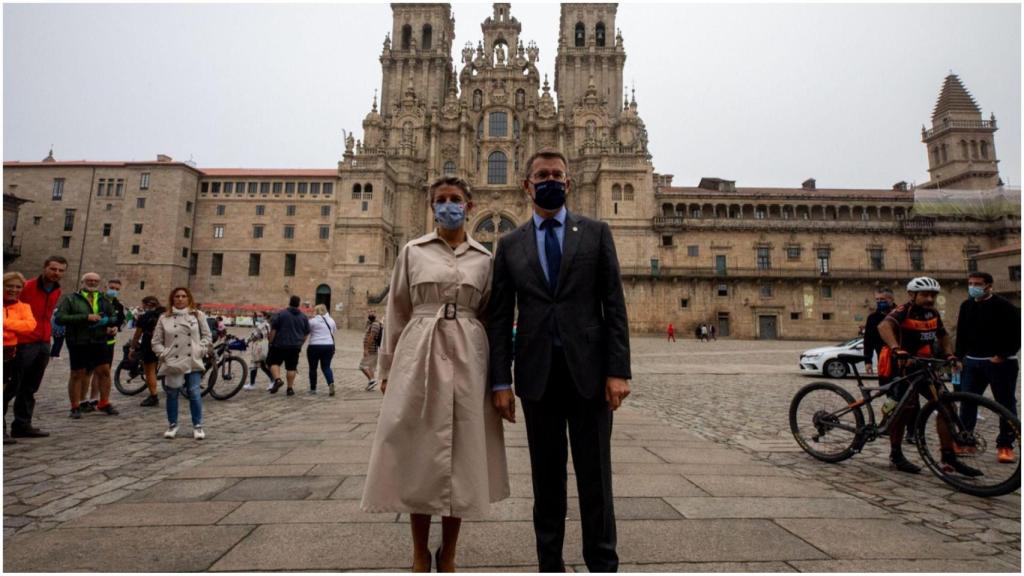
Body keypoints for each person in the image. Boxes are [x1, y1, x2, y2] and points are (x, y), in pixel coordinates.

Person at [487, 150, 631, 572]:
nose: (549, 180)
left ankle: (602, 563)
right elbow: (500, 318)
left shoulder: (596, 233)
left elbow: (614, 305)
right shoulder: (509, 244)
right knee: (546, 480)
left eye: (556, 174)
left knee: (596, 478)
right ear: (527, 185)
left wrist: (618, 370)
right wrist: (500, 381)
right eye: (541, 175)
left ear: (568, 183)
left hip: (590, 375)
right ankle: (549, 564)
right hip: (538, 377)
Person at [362, 176, 510, 572]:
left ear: (469, 206)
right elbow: (397, 310)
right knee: (418, 454)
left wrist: (498, 377)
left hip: (468, 357)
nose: (448, 205)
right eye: (441, 199)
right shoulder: (412, 252)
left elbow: (493, 316)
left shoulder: (485, 259)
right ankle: (418, 552)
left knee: (461, 458)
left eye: (455, 199)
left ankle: (449, 552)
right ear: (431, 207)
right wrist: (387, 368)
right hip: (419, 353)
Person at [877, 277, 980, 477]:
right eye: (925, 295)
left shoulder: (932, 313)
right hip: (903, 367)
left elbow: (943, 335)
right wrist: (896, 348)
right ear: (912, 295)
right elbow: (884, 327)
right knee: (903, 411)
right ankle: (896, 454)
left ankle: (948, 457)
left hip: (924, 367)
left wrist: (949, 354)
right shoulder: (903, 311)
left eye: (933, 295)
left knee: (947, 406)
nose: (930, 299)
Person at [955, 271, 1021, 464]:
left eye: (977, 284)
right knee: (967, 401)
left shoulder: (1005, 306)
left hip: (1000, 363)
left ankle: (1005, 445)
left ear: (989, 286)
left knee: (1005, 404)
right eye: (970, 283)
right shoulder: (966, 306)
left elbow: (1017, 333)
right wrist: (958, 357)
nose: (973, 287)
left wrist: (1002, 355)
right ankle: (966, 441)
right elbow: (961, 334)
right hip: (972, 362)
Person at [6, 256, 66, 437]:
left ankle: (22, 425)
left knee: (31, 387)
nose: (56, 273)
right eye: (53, 269)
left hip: (43, 342)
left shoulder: (57, 290)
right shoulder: (26, 287)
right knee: (11, 387)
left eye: (61, 270)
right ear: (44, 268)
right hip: (23, 342)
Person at [55, 272, 120, 418]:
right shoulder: (71, 299)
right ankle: (75, 406)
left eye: (95, 281)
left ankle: (104, 402)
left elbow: (114, 317)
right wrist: (85, 317)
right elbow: (59, 318)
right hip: (79, 340)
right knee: (77, 373)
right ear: (82, 282)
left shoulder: (104, 299)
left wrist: (108, 322)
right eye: (89, 280)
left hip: (99, 340)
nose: (92, 283)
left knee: (104, 372)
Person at [152, 287, 211, 440]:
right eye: (177, 296)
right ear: (172, 299)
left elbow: (207, 336)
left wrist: (200, 349)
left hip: (192, 359)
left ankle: (197, 425)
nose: (180, 299)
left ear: (189, 298)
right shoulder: (164, 318)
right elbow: (156, 341)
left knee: (194, 392)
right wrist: (163, 354)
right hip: (173, 360)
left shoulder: (198, 315)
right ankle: (173, 424)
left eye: (183, 296)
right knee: (172, 394)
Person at [4, 272, 38, 444]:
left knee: (7, 392)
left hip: (10, 353)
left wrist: (4, 324)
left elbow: (29, 326)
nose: (14, 290)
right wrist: (15, 326)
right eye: (9, 286)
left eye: (18, 287)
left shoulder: (24, 307)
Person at [83, 279, 125, 412]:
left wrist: (116, 327)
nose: (114, 291)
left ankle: (95, 399)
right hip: (93, 341)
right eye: (112, 287)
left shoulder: (118, 305)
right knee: (88, 371)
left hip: (109, 342)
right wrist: (103, 328)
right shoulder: (97, 301)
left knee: (102, 372)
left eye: (117, 289)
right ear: (106, 287)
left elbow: (119, 321)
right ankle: (83, 401)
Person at [267, 295, 310, 396]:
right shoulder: (303, 317)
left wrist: (271, 341)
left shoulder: (281, 314)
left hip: (279, 344)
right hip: (295, 346)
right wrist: (300, 343)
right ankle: (290, 389)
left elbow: (274, 329)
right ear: (298, 304)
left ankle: (278, 380)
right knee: (291, 367)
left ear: (290, 302)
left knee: (273, 362)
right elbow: (306, 333)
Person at [129, 296, 165, 407]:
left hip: (149, 344)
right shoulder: (165, 313)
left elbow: (137, 334)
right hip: (166, 343)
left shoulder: (145, 316)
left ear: (146, 305)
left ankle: (153, 396)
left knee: (149, 371)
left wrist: (132, 348)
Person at [307, 304, 337, 396]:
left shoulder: (312, 321)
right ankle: (330, 383)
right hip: (328, 345)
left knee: (313, 368)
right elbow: (333, 331)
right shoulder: (331, 320)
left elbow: (307, 331)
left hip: (314, 345)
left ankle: (313, 388)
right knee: (326, 366)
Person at [863, 288, 895, 375]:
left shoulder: (901, 314)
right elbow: (868, 341)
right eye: (877, 299)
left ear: (891, 299)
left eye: (882, 299)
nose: (879, 301)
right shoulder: (872, 318)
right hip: (882, 359)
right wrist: (868, 361)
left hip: (901, 357)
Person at [244, 312, 274, 391]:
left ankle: (272, 381)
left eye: (260, 316)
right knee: (260, 365)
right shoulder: (266, 324)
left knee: (257, 364)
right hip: (262, 345)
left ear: (265, 316)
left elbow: (258, 335)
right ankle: (253, 383)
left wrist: (247, 340)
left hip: (260, 346)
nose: (259, 317)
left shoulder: (264, 325)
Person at [360, 313, 383, 391]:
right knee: (371, 368)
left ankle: (372, 380)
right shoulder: (372, 324)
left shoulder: (375, 325)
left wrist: (366, 349)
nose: (371, 313)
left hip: (371, 349)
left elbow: (371, 337)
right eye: (369, 311)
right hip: (373, 349)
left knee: (362, 366)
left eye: (373, 311)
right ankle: (371, 383)